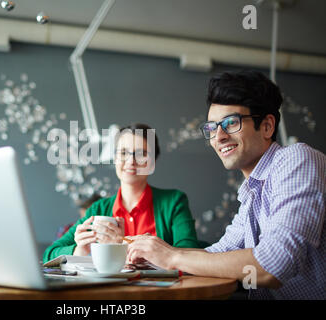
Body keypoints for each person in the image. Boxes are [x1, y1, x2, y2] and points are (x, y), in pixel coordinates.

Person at [126, 70, 325, 300]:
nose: (218, 136)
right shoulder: (252, 192)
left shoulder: (297, 160)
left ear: (268, 126)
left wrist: (171, 257)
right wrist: (148, 258)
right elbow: (219, 253)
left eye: (231, 123)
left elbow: (273, 266)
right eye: (211, 128)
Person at [43, 123, 199, 262]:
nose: (131, 161)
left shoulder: (174, 201)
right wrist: (79, 251)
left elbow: (189, 255)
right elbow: (49, 254)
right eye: (123, 153)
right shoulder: (98, 209)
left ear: (153, 162)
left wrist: (122, 244)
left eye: (141, 154)